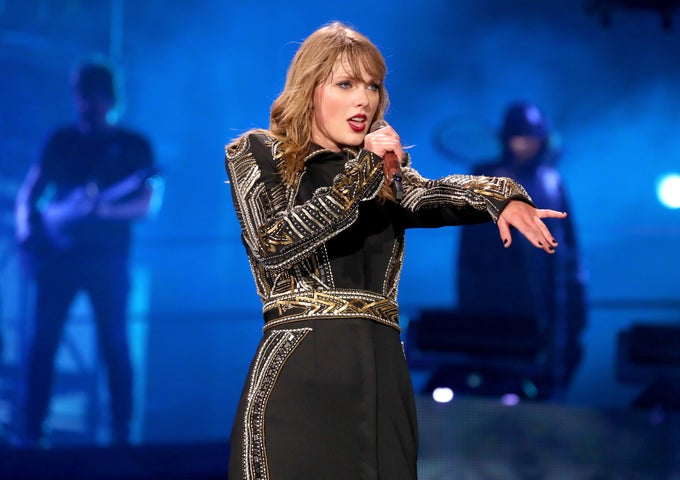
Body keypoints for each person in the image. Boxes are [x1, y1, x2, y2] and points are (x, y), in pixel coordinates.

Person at [224, 22, 567, 480]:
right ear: (310, 89)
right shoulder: (257, 152)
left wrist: (501, 196)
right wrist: (365, 171)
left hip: (382, 374)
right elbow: (274, 244)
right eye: (345, 84)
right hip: (301, 374)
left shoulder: (384, 174)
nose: (363, 99)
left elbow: (429, 195)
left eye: (372, 85)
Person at [13, 56, 160, 447]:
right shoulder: (61, 140)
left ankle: (121, 433)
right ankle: (32, 430)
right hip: (57, 260)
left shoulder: (134, 146)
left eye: (92, 97)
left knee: (114, 342)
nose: (84, 105)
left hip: (107, 261)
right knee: (42, 342)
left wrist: (106, 210)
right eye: (79, 96)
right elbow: (31, 192)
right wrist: (28, 236)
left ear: (109, 98)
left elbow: (148, 203)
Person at [456, 101, 588, 396]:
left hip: (545, 300)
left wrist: (577, 303)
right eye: (520, 137)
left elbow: (570, 246)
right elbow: (470, 251)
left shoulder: (552, 181)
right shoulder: (485, 177)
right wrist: (469, 302)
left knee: (550, 373)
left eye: (532, 138)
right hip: (495, 299)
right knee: (494, 373)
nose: (526, 145)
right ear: (506, 139)